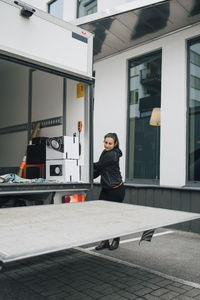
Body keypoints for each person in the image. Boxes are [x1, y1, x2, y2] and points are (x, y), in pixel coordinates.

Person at [94, 132, 125, 251]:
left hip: (116, 189)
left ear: (115, 144)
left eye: (110, 143)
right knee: (102, 216)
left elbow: (98, 165)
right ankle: (105, 241)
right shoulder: (105, 152)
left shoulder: (113, 155)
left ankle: (116, 239)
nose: (107, 145)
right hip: (106, 189)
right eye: (105, 142)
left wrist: (85, 166)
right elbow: (99, 169)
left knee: (114, 217)